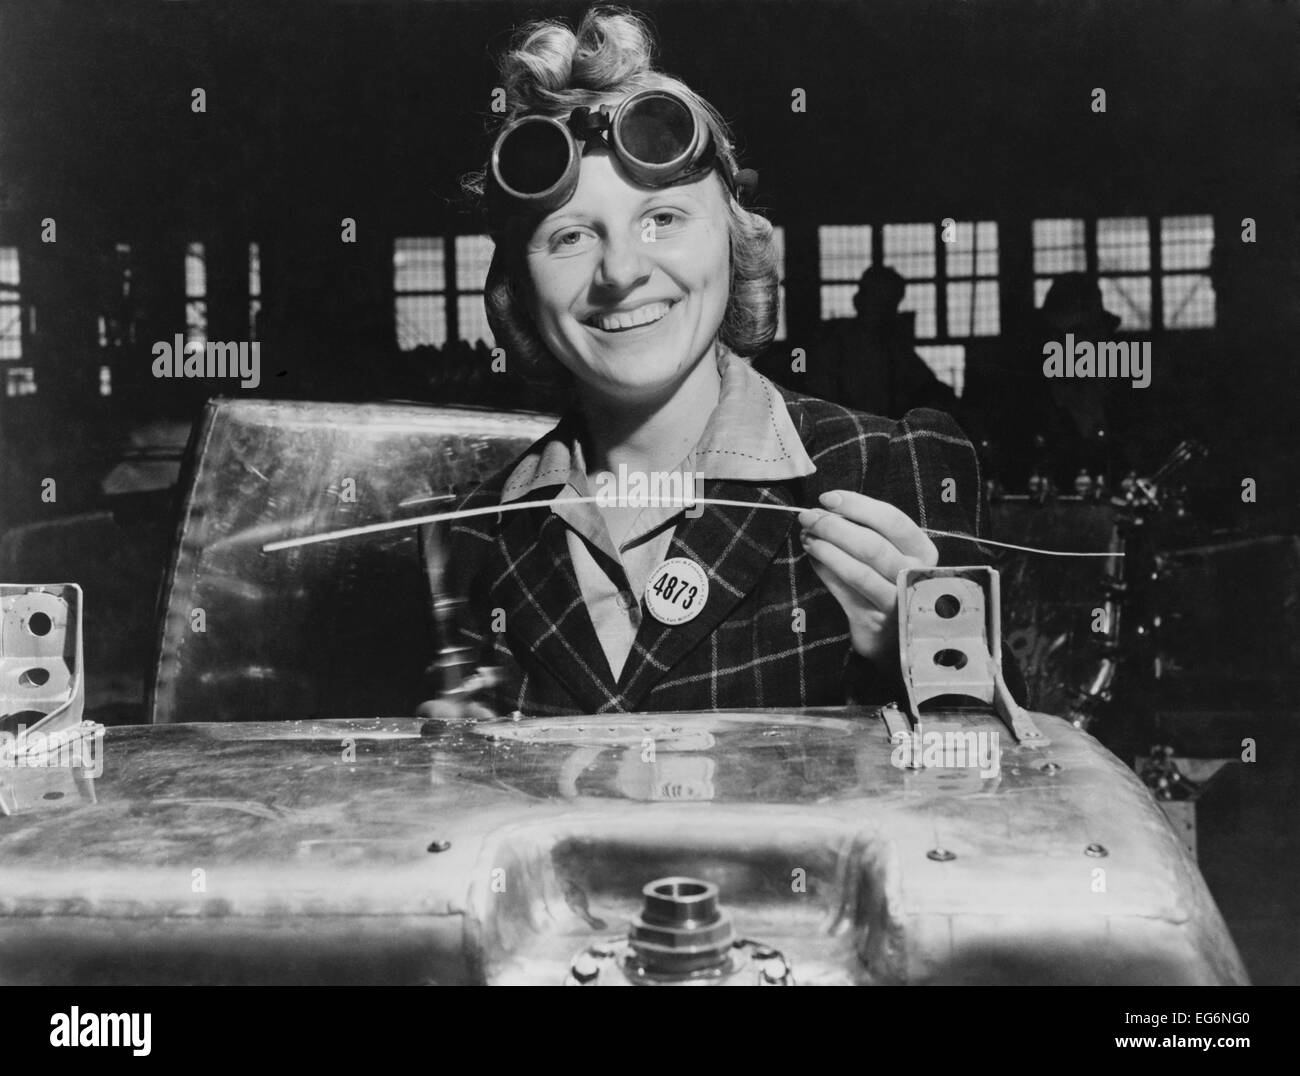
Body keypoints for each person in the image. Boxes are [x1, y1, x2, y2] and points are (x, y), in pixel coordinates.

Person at [418, 6, 1011, 719]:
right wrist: (455, 771)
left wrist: (921, 659)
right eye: (571, 236)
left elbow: (998, 793)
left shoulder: (889, 471)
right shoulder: (476, 533)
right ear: (517, 288)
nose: (622, 271)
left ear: (735, 245)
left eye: (663, 219)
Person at [805, 265, 961, 419]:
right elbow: (818, 397)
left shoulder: (894, 346)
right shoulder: (834, 342)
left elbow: (926, 385)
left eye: (888, 303)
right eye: (872, 296)